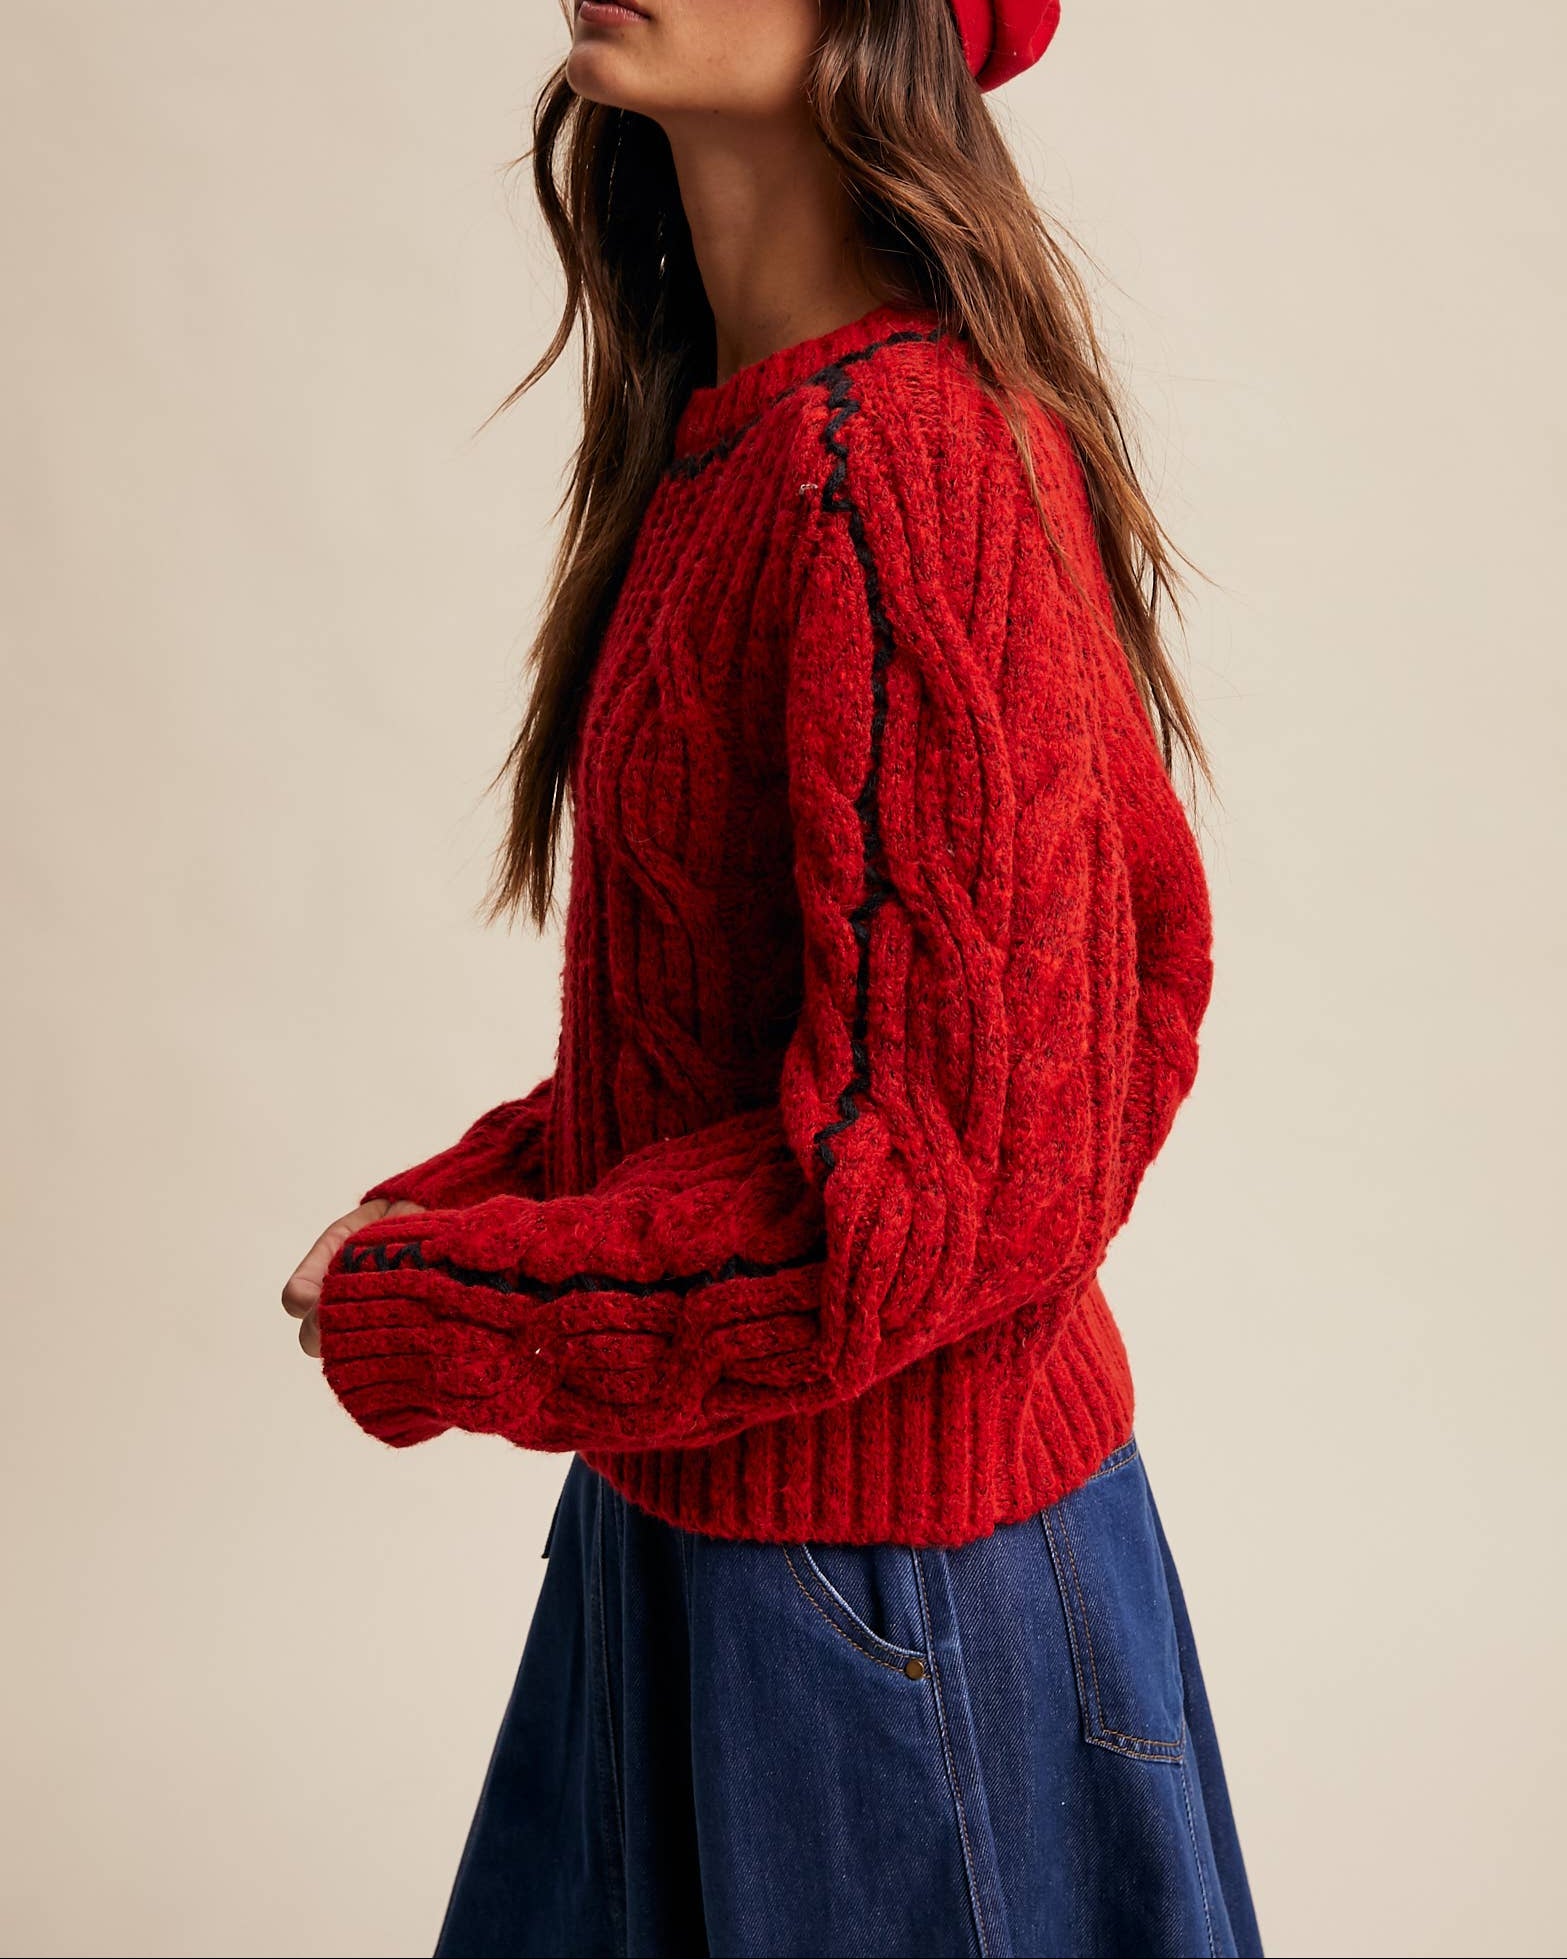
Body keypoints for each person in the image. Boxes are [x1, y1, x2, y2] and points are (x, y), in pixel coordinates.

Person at [281, 3, 1263, 1953]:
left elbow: (928, 1200)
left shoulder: (902, 458)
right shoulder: (744, 439)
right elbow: (743, 1055)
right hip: (708, 1536)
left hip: (887, 1602)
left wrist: (449, 1298)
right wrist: (467, 1198)